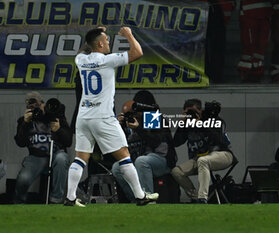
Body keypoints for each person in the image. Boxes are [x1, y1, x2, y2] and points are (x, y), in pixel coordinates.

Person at [65, 27, 158, 207]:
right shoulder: (108, 60)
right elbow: (137, 53)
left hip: (83, 117)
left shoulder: (81, 60)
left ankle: (69, 198)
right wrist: (129, 35)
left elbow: (85, 48)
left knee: (80, 158)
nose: (108, 43)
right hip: (103, 117)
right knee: (124, 156)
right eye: (106, 40)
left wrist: (93, 33)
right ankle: (140, 196)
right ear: (99, 44)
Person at [112, 90, 177, 202]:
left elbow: (155, 142)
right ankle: (136, 199)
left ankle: (149, 199)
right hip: (139, 159)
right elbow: (119, 145)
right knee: (117, 167)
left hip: (162, 160)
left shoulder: (153, 117)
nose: (136, 111)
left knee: (141, 161)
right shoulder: (132, 120)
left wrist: (138, 128)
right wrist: (119, 126)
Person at [171, 99, 237, 203]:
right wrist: (182, 124)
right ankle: (196, 197)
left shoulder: (214, 120)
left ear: (200, 111)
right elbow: (176, 143)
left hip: (223, 155)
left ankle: (203, 199)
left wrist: (201, 124)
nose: (191, 115)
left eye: (193, 111)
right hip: (199, 159)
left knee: (203, 160)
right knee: (177, 171)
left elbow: (219, 140)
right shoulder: (187, 124)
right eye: (188, 112)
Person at [14, 91, 72, 204]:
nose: (37, 108)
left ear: (43, 103)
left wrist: (59, 129)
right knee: (24, 178)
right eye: (32, 106)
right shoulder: (25, 120)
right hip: (36, 156)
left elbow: (68, 141)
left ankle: (56, 200)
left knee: (62, 158)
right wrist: (25, 123)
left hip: (56, 154)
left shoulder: (56, 116)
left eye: (38, 105)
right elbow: (20, 142)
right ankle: (18, 203)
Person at [237, 0, 272, 82]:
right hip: (249, 13)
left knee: (260, 48)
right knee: (250, 46)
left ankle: (255, 72)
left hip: (263, 13)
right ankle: (247, 73)